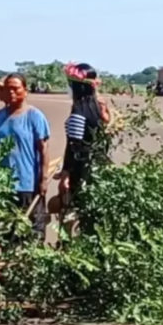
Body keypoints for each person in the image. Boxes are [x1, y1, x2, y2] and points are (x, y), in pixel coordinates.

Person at [0, 73, 51, 238]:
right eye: (8, 89)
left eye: (16, 89)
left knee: (31, 231)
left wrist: (43, 180)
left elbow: (43, 149)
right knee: (4, 232)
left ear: (25, 91)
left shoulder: (34, 116)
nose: (11, 93)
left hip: (27, 184)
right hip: (1, 185)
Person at [56, 63, 111, 227]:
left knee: (72, 209)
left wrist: (66, 172)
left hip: (82, 168)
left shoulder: (79, 111)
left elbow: (74, 147)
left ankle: (66, 244)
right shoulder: (97, 108)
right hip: (98, 164)